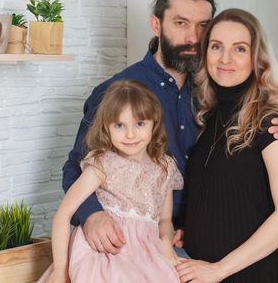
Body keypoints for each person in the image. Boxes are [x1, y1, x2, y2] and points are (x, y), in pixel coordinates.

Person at [62, 0, 278, 256]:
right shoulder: (118, 92)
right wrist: (92, 215)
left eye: (203, 26)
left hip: (217, 236)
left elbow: (254, 156)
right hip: (139, 237)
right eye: (181, 24)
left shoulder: (219, 86)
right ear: (157, 25)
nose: (194, 37)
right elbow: (76, 165)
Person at [179, 8, 278, 282]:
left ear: (256, 59)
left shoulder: (271, 121)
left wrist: (218, 269)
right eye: (216, 47)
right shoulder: (209, 116)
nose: (225, 58)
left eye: (239, 49)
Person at [39, 80, 183, 283]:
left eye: (140, 123)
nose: (130, 134)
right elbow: (63, 215)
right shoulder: (103, 164)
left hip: (145, 256)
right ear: (106, 128)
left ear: (154, 123)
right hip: (102, 252)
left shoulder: (165, 168)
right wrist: (60, 270)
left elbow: (165, 221)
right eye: (119, 125)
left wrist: (166, 244)